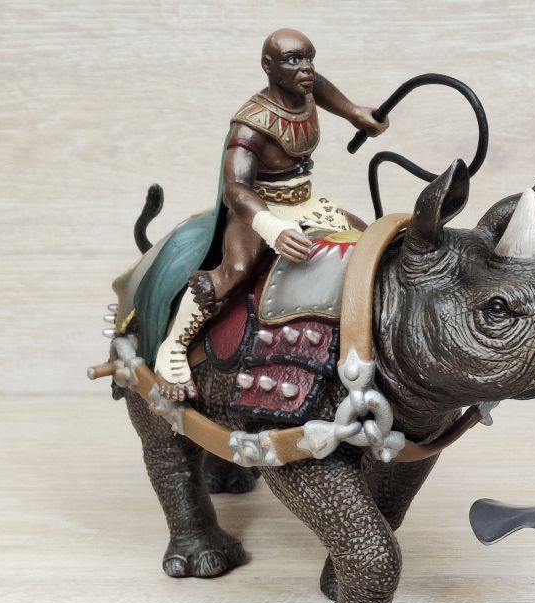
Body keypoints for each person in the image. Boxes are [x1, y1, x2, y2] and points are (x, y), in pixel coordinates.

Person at [154, 28, 388, 400]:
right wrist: (273, 228)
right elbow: (236, 189)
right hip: (259, 209)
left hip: (307, 203)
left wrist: (353, 112)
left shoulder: (303, 88)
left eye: (309, 58)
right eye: (294, 60)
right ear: (268, 66)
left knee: (371, 246)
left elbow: (318, 87)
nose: (306, 68)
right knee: (237, 269)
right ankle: (174, 346)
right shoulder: (251, 124)